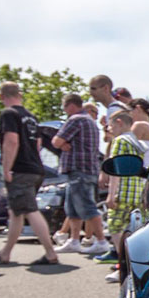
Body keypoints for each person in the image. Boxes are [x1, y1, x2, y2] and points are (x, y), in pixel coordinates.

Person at [0, 82, 60, 265]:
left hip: (21, 169)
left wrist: (7, 167)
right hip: (35, 168)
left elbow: (11, 141)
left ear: (2, 96)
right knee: (17, 211)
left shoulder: (9, 113)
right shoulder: (30, 116)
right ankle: (6, 252)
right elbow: (38, 144)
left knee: (30, 210)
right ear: (20, 94)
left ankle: (50, 252)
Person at [52, 93, 111, 256]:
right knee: (72, 208)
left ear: (71, 105)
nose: (65, 111)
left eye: (64, 107)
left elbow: (56, 141)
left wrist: (63, 143)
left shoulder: (76, 120)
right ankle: (74, 240)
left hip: (79, 170)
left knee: (87, 207)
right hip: (88, 169)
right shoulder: (90, 122)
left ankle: (101, 241)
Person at [100, 112, 147, 281]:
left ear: (119, 122)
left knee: (115, 227)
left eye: (111, 126)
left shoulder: (119, 141)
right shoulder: (137, 142)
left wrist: (111, 194)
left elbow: (116, 169)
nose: (109, 129)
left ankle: (123, 265)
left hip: (123, 192)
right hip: (137, 191)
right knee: (134, 230)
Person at [128, 97, 149, 168]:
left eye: (129, 112)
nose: (129, 116)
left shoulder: (139, 125)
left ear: (138, 108)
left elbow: (125, 148)